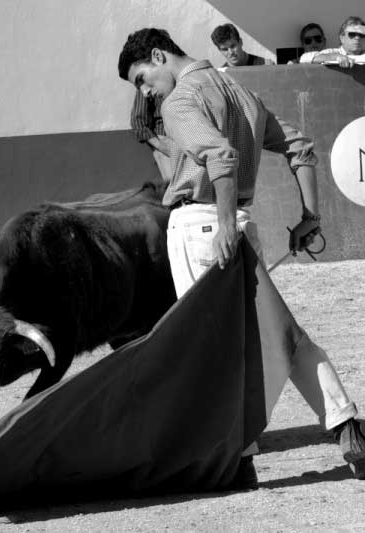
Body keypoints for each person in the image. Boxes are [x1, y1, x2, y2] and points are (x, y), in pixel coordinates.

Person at [118, 27, 365, 489]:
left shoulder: (178, 103)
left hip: (202, 228)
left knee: (216, 348)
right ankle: (344, 420)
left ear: (157, 55)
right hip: (239, 224)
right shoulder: (240, 89)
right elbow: (301, 146)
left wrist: (224, 227)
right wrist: (309, 216)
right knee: (276, 331)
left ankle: (238, 457)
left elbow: (220, 155)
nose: (146, 92)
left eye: (141, 78)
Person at [130, 89, 174, 181]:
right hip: (166, 140)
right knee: (178, 190)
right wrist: (161, 146)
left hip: (189, 140)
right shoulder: (146, 82)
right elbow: (138, 121)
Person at [300, 16, 365, 66]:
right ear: (342, 38)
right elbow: (305, 58)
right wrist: (337, 57)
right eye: (352, 34)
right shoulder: (331, 52)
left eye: (361, 34)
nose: (357, 38)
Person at [211, 23, 275, 68]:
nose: (231, 52)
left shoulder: (265, 66)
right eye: (225, 49)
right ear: (219, 50)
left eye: (233, 46)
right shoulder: (222, 76)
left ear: (240, 42)